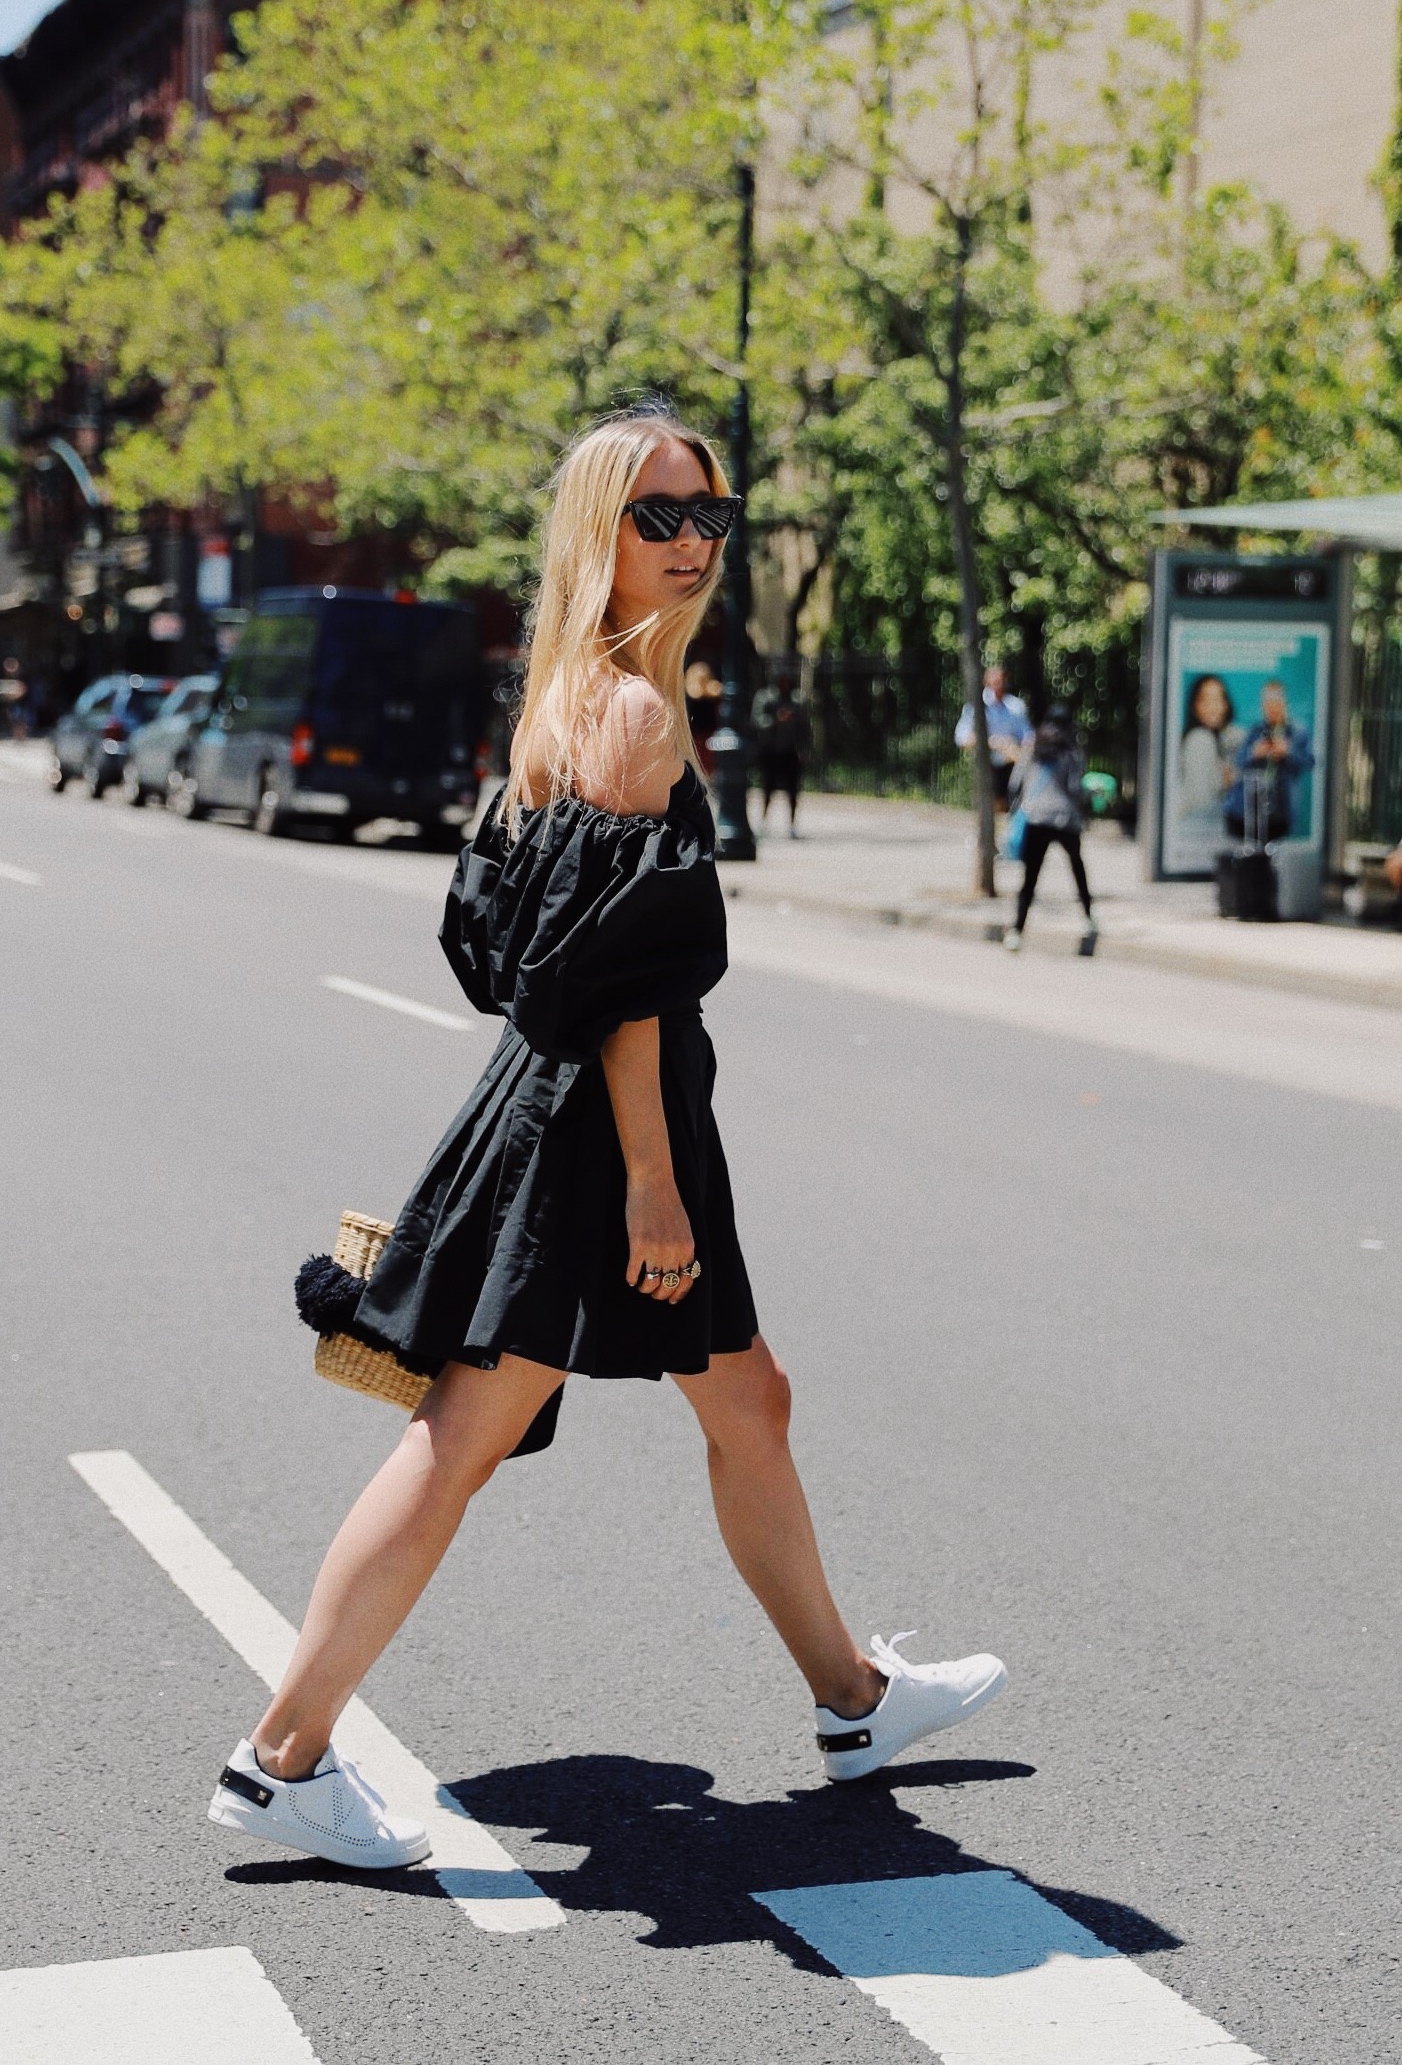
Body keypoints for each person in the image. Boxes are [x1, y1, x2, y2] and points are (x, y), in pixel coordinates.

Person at [209, 407, 1007, 1875]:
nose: (694, 541)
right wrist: (649, 1183)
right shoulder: (629, 713)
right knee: (457, 1437)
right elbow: (615, 982)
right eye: (658, 517)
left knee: (746, 1395)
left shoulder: (580, 691)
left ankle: (850, 1697)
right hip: (603, 1125)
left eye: (711, 514)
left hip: (586, 1107)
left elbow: (533, 945)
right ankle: (282, 1757)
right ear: (598, 531)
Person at [1003, 702, 1096, 952]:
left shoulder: (1033, 746)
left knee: (1030, 878)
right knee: (1078, 869)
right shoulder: (1072, 750)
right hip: (1065, 819)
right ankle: (1088, 918)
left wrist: (1020, 807)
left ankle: (1016, 931)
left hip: (1036, 818)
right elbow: (1075, 789)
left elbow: (1015, 784)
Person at [1224, 680, 1313, 844]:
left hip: (1281, 806)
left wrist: (1288, 752)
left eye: (1276, 700)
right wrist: (1254, 752)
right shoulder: (1256, 730)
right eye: (1267, 702)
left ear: (1284, 702)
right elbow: (1238, 762)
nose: (1272, 706)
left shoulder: (1298, 731)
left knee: (1276, 853)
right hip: (1253, 806)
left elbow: (1310, 762)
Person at [955, 665, 1032, 809]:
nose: (999, 686)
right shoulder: (976, 706)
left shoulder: (1016, 706)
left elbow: (1027, 736)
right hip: (986, 760)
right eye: (995, 682)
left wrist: (1015, 746)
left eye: (1001, 681)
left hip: (1011, 761)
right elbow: (961, 737)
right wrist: (992, 742)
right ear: (986, 683)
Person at [1176, 674, 1243, 830]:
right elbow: (1202, 799)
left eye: (1219, 699)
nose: (1213, 706)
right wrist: (1224, 780)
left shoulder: (1224, 738)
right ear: (1194, 706)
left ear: (1226, 704)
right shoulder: (1199, 739)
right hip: (1195, 827)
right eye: (1205, 700)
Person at [751, 666, 809, 835]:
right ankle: (763, 822)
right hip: (770, 750)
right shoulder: (765, 697)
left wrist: (804, 749)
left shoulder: (797, 701)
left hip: (790, 751)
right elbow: (757, 721)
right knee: (767, 788)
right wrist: (775, 720)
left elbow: (804, 728)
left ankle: (792, 824)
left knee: (792, 790)